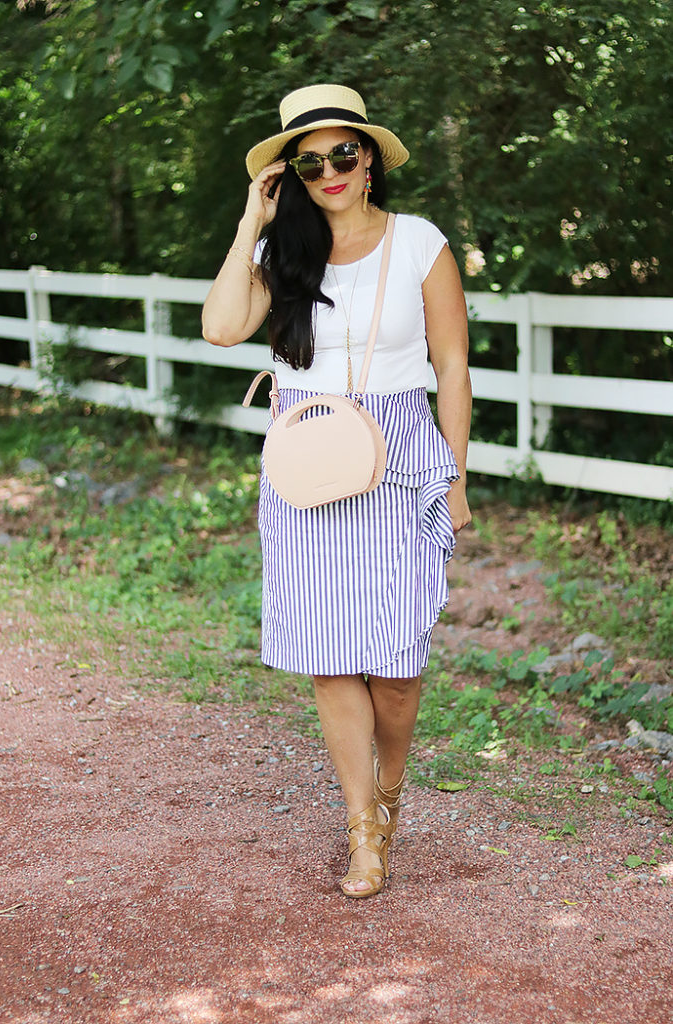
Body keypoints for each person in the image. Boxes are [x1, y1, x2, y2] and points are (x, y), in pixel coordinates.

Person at [202, 84, 471, 898]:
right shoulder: (280, 253)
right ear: (289, 172)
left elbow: (452, 366)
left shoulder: (418, 242)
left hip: (398, 453)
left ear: (369, 160)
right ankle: (362, 830)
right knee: (329, 657)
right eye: (308, 160)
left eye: (341, 154)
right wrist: (252, 221)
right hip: (306, 457)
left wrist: (453, 475)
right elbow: (220, 328)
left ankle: (388, 796)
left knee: (394, 666)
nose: (328, 171)